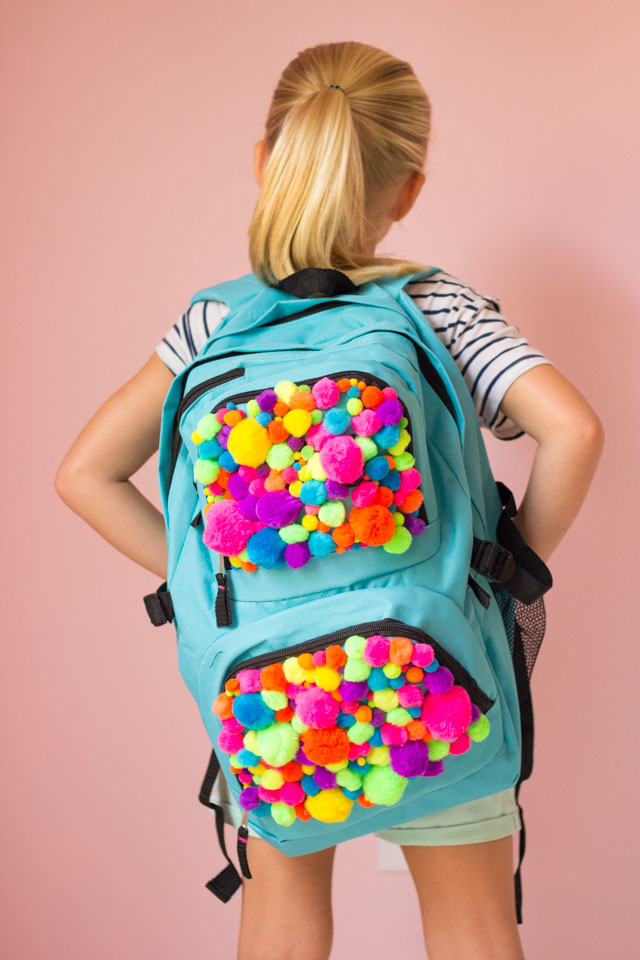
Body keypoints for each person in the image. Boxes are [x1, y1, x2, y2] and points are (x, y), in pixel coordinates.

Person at [55, 40, 604, 960]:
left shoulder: (212, 323)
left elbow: (82, 476)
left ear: (267, 160)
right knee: (471, 929)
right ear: (410, 189)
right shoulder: (438, 307)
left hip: (267, 690)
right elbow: (575, 431)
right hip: (433, 671)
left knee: (280, 927)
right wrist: (504, 579)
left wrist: (206, 582)